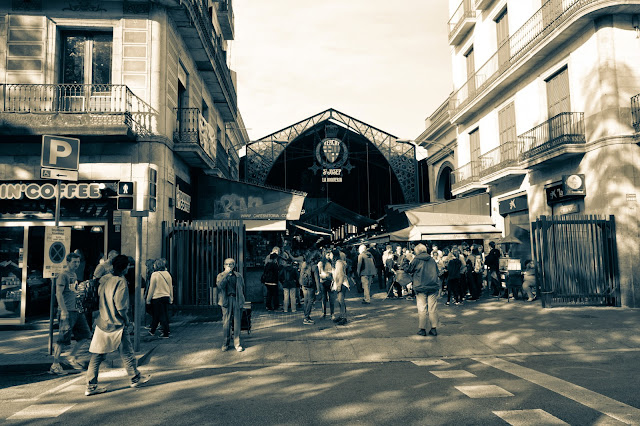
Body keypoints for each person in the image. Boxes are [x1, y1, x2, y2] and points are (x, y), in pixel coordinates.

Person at [85, 255, 150, 396]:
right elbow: (120, 305)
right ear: (125, 267)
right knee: (127, 352)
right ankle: (135, 378)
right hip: (116, 323)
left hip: (102, 321)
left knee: (97, 355)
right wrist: (126, 319)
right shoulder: (120, 282)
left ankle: (91, 386)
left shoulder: (104, 279)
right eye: (127, 266)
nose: (128, 268)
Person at [50, 252, 91, 375]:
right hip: (67, 311)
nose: (77, 264)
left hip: (77, 310)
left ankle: (71, 356)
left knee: (85, 334)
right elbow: (58, 293)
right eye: (74, 262)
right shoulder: (63, 275)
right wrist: (63, 310)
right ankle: (55, 365)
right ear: (68, 262)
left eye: (78, 262)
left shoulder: (73, 274)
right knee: (62, 339)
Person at [404, 244, 439, 337]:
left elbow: (408, 270)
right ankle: (433, 328)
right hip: (432, 286)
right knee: (432, 308)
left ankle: (422, 329)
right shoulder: (431, 259)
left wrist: (406, 260)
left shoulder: (416, 260)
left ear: (417, 251)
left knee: (422, 308)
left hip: (420, 287)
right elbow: (437, 272)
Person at [216, 258, 246, 352]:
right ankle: (225, 343)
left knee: (237, 323)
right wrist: (225, 274)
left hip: (236, 299)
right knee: (226, 322)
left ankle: (237, 343)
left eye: (231, 264)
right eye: (227, 264)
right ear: (224, 265)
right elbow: (220, 286)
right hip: (226, 300)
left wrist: (242, 299)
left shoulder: (238, 276)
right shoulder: (220, 275)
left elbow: (242, 287)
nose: (229, 266)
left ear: (234, 265)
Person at [146, 258, 173, 338]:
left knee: (160, 315)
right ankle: (152, 330)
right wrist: (171, 297)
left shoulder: (155, 274)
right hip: (166, 296)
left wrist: (148, 299)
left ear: (156, 265)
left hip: (157, 297)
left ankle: (165, 332)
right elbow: (170, 286)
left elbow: (152, 288)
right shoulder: (167, 274)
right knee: (160, 314)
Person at [300, 252, 320, 324]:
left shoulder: (304, 264)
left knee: (306, 301)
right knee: (310, 301)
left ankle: (306, 316)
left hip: (304, 285)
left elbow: (301, 275)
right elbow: (317, 279)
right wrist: (318, 289)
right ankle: (306, 318)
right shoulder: (314, 266)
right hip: (311, 286)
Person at [331, 249, 349, 325]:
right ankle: (341, 316)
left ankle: (344, 317)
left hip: (341, 284)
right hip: (338, 283)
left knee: (341, 301)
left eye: (331, 254)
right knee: (339, 300)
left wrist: (339, 285)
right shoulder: (336, 263)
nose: (330, 255)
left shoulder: (339, 263)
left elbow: (341, 275)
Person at [318, 250, 335, 319]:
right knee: (324, 298)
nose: (329, 256)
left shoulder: (331, 262)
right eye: (328, 255)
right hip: (323, 282)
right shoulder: (321, 263)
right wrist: (327, 275)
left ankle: (332, 313)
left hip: (330, 282)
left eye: (330, 255)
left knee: (331, 298)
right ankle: (323, 313)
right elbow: (319, 273)